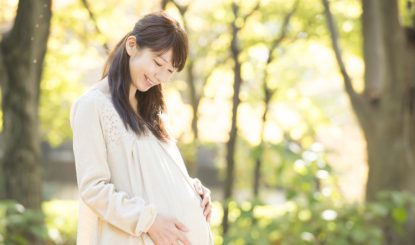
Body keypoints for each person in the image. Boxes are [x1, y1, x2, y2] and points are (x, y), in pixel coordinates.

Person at [70, 11, 213, 245]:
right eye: (158, 63)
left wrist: (194, 190)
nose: (161, 77)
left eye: (170, 71)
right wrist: (149, 221)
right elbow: (93, 189)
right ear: (132, 45)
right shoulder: (92, 106)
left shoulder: (153, 111)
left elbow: (155, 174)